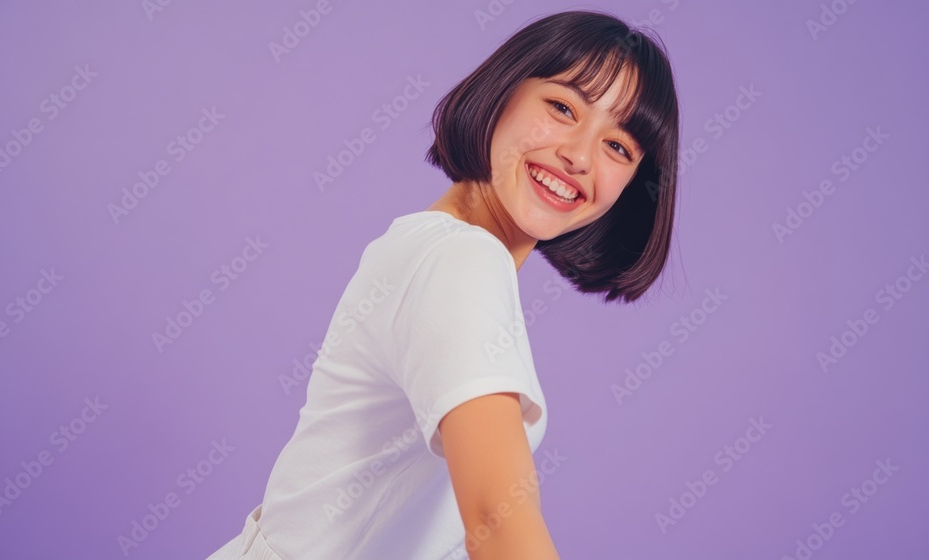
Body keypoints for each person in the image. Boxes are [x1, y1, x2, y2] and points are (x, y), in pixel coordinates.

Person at [205, 9, 679, 560]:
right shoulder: (461, 258)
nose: (578, 157)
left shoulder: (443, 249)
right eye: (562, 107)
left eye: (618, 147)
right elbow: (498, 521)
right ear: (503, 91)